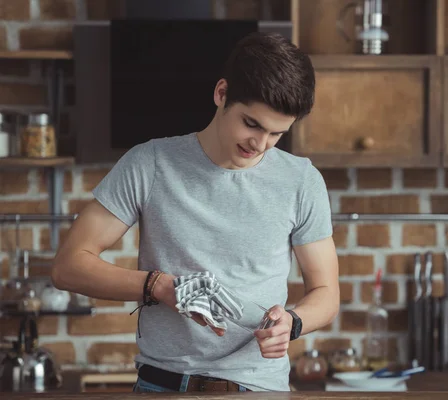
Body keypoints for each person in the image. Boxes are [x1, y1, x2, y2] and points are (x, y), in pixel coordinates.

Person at [51, 32, 340, 392]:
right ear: (221, 93)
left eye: (276, 134)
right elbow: (68, 266)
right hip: (161, 386)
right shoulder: (150, 164)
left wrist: (293, 323)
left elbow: (326, 292)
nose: (260, 144)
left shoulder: (301, 180)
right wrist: (160, 286)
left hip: (258, 389)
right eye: (251, 124)